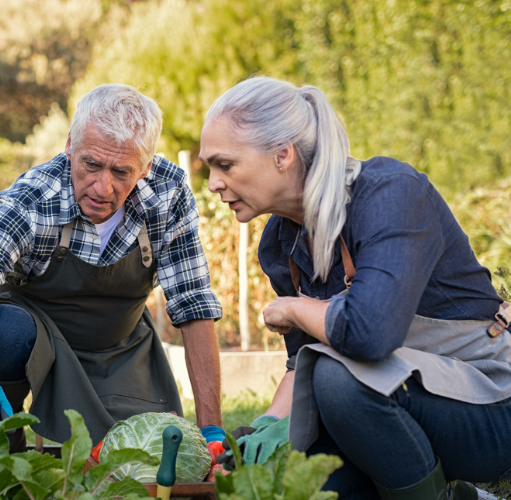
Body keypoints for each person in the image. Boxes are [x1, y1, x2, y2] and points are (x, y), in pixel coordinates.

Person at [200, 76, 511, 499]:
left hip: (488, 401)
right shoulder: (279, 244)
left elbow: (370, 332)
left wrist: (293, 309)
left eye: (225, 164)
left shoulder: (390, 194)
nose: (214, 183)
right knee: (304, 486)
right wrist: (264, 429)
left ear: (282, 155)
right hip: (386, 406)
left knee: (337, 378)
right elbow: (303, 364)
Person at [0, 84, 226, 451]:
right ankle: (3, 444)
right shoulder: (34, 199)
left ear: (146, 167)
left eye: (121, 171)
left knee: (132, 459)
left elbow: (193, 304)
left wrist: (213, 430)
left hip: (119, 347)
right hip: (35, 340)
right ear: (70, 145)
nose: (102, 187)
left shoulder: (168, 192)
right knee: (2, 333)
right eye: (91, 164)